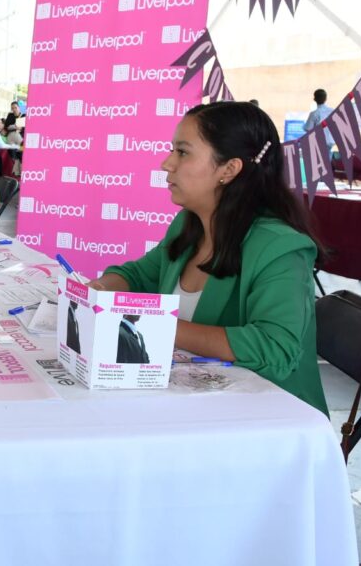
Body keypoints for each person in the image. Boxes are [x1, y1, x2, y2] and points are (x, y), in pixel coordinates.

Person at [89, 101, 329, 415]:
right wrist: (99, 291)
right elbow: (138, 275)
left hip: (267, 419)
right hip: (194, 404)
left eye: (182, 152)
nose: (166, 163)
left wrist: (156, 325)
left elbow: (275, 348)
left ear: (229, 169)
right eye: (172, 150)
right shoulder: (188, 225)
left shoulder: (281, 248)